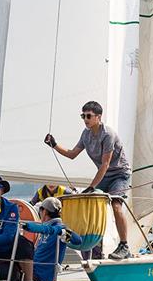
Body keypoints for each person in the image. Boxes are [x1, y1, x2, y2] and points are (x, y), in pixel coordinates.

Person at [43, 101, 132, 260]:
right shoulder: (86, 134)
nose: (85, 119)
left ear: (98, 117)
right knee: (93, 207)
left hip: (119, 174)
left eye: (88, 116)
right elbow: (72, 154)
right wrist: (54, 145)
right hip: (103, 175)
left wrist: (92, 186)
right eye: (83, 116)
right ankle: (96, 251)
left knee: (116, 204)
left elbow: (105, 164)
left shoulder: (108, 135)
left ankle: (124, 246)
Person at [21, 197, 82, 281]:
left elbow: (78, 240)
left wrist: (65, 231)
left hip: (40, 280)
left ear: (44, 211)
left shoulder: (60, 229)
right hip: (33, 274)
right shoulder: (47, 227)